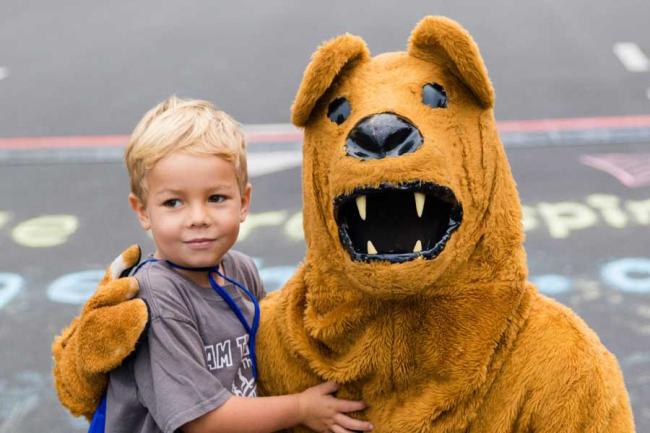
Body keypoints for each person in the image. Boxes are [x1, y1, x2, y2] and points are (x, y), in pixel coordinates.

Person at [104, 96, 373, 433]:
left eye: (216, 198)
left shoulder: (240, 269)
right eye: (174, 202)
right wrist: (300, 408)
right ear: (143, 210)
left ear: (243, 202)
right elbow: (201, 421)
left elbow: (271, 350)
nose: (198, 218)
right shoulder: (158, 299)